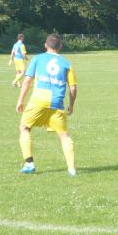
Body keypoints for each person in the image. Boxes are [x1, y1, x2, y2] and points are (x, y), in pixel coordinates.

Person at [15, 33, 78, 176]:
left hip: (39, 99)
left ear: (45, 45)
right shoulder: (67, 64)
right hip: (57, 102)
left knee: (24, 128)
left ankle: (29, 163)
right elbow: (73, 88)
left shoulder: (37, 58)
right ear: (60, 47)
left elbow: (27, 80)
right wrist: (71, 105)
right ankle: (72, 169)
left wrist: (20, 100)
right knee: (64, 135)